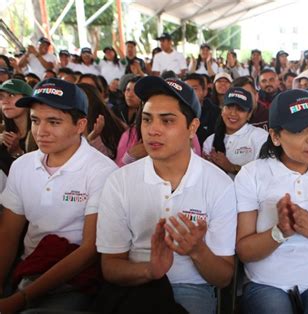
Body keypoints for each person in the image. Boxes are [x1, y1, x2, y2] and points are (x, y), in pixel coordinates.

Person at [95, 76, 236, 314]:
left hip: (192, 288)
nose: (153, 130)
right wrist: (151, 270)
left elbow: (223, 278)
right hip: (136, 284)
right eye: (147, 119)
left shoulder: (218, 184)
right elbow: (110, 267)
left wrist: (196, 250)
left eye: (167, 120)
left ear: (192, 127)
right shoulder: (120, 181)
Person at [0, 78, 117, 313]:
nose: (41, 131)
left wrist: (20, 300)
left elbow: (88, 250)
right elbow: (8, 237)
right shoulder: (23, 165)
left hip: (74, 281)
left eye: (53, 122)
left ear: (80, 124)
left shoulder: (102, 171)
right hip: (28, 268)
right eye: (35, 120)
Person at [235, 89, 308, 314]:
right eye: (300, 130)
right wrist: (280, 231)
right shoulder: (252, 174)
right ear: (275, 136)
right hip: (266, 283)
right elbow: (245, 251)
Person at [203, 87, 268, 178]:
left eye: (240, 109)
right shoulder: (209, 141)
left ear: (249, 114)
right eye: (229, 107)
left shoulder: (260, 137)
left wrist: (232, 167)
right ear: (222, 110)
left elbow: (265, 174)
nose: (233, 113)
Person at [184, 73, 219, 147]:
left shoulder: (216, 113)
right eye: (186, 88)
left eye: (194, 89)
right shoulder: (177, 112)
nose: (189, 93)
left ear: (205, 91)